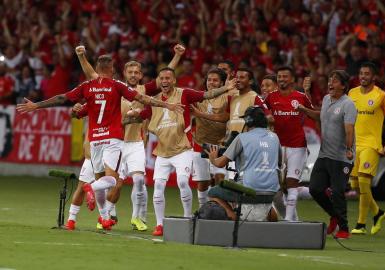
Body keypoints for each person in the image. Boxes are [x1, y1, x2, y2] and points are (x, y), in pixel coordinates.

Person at [16, 54, 184, 230]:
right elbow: (143, 99)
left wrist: (36, 106)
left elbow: (62, 98)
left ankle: (104, 218)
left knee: (102, 184)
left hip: (94, 140)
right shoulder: (117, 85)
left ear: (97, 70)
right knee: (111, 180)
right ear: (112, 69)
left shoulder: (87, 86)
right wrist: (167, 105)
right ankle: (91, 188)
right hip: (112, 139)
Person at [75, 44, 186, 231]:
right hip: (116, 143)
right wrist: (82, 57)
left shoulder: (144, 89)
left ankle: (137, 218)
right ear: (124, 73)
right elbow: (92, 75)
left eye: (137, 72)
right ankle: (107, 215)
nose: (133, 75)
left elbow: (165, 77)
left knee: (139, 180)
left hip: (135, 143)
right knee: (115, 184)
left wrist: (177, 55)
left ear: (141, 75)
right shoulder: (114, 88)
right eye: (130, 72)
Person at [125, 67, 236, 236]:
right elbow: (142, 115)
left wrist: (226, 88)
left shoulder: (184, 94)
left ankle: (186, 219)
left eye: (168, 78)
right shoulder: (155, 101)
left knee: (183, 182)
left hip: (182, 149)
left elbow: (206, 95)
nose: (164, 81)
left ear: (174, 80)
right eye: (161, 78)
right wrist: (132, 114)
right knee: (159, 187)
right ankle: (160, 224)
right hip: (162, 151)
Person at [300, 70, 357, 239]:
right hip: (324, 154)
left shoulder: (348, 104)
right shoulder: (326, 99)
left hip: (341, 157)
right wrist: (304, 109)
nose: (330, 83)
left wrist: (348, 149)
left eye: (335, 81)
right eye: (330, 80)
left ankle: (344, 228)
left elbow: (349, 130)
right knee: (315, 189)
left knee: (338, 191)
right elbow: (320, 116)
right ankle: (334, 215)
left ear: (344, 86)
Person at [206, 106, 281, 221]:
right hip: (271, 191)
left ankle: (234, 216)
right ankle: (273, 222)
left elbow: (220, 163)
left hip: (249, 190)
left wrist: (212, 158)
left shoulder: (242, 137)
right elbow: (279, 163)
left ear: (249, 121)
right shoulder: (275, 137)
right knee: (264, 201)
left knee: (213, 192)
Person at [349, 62, 385, 235]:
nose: (363, 76)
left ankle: (360, 224)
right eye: (361, 73)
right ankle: (378, 213)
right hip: (354, 145)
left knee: (363, 182)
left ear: (373, 77)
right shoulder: (352, 93)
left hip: (371, 144)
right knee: (354, 184)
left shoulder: (381, 95)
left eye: (367, 73)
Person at [264, 66, 313, 221]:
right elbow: (262, 113)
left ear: (292, 79)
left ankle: (289, 220)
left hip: (297, 145)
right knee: (279, 186)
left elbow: (312, 113)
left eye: (285, 76)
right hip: (276, 146)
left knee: (291, 182)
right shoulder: (270, 97)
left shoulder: (300, 96)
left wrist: (307, 93)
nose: (282, 79)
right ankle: (318, 193)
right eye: (279, 76)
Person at [192, 68, 229, 207]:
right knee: (203, 182)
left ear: (222, 83)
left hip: (220, 145)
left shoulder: (227, 97)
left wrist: (200, 114)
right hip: (200, 144)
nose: (211, 83)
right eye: (209, 80)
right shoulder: (199, 97)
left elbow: (224, 118)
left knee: (220, 178)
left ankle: (221, 208)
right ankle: (203, 210)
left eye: (215, 80)